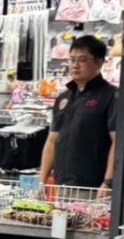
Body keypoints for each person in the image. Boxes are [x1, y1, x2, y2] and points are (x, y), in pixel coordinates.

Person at [39, 35, 117, 190]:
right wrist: (42, 181)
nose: (75, 65)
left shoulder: (111, 96)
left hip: (93, 186)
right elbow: (52, 140)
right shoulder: (64, 97)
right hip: (63, 183)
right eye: (72, 60)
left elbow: (118, 142)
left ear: (99, 63)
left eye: (82, 60)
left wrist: (108, 182)